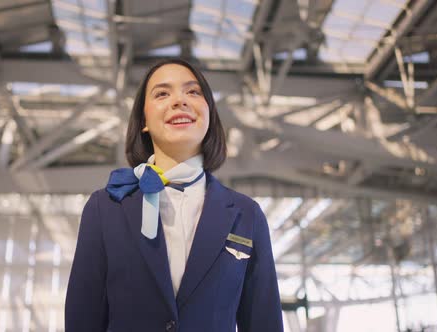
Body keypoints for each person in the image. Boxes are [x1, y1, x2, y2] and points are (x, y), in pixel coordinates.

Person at [65, 58, 284, 332]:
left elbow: (265, 323)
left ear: (209, 113)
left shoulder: (246, 215)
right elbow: (82, 320)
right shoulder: (105, 208)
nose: (179, 100)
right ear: (144, 120)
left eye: (193, 92)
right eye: (162, 93)